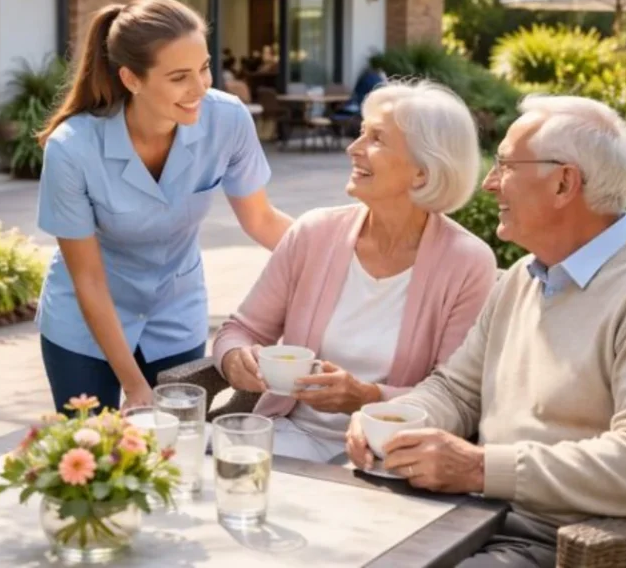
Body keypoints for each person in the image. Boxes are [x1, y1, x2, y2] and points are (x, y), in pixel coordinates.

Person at [345, 95, 626, 568]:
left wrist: (481, 468)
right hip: (462, 515)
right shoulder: (526, 275)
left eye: (505, 165)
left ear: (564, 182)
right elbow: (457, 390)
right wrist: (395, 418)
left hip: (555, 542)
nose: (489, 183)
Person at [213, 81, 496, 462]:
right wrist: (235, 360)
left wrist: (367, 398)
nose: (353, 148)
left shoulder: (467, 262)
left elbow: (457, 396)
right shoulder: (314, 232)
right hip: (290, 436)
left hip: (387, 457)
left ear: (422, 173)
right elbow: (239, 331)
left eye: (376, 138)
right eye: (362, 132)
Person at [35, 0, 293, 413]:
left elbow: (261, 220)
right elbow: (89, 281)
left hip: (175, 309)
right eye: (179, 77)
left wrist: (337, 255)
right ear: (132, 79)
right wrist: (135, 387)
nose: (200, 88)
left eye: (205, 67)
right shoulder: (73, 148)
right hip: (85, 320)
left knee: (176, 450)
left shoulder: (227, 120)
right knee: (92, 459)